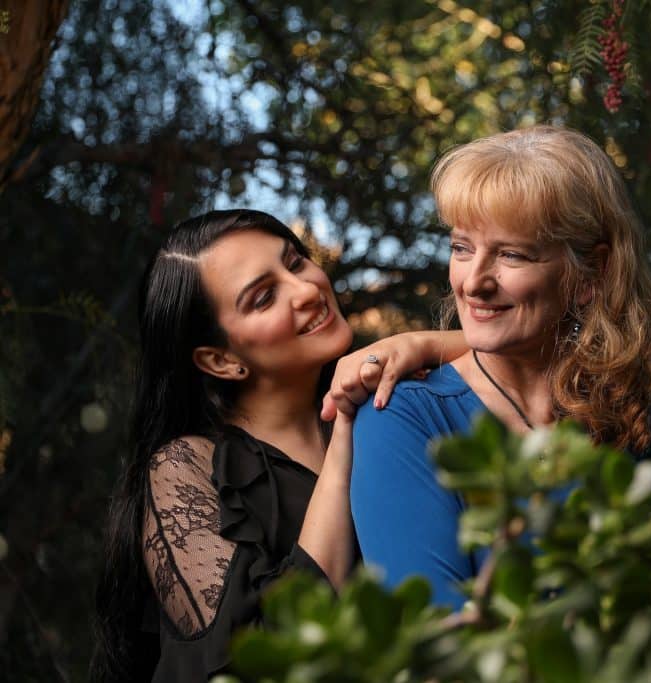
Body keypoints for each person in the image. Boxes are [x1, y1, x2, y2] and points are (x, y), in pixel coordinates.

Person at [91, 209, 465, 682]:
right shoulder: (184, 467)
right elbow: (264, 651)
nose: (308, 290)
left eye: (295, 263)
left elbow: (534, 355)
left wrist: (423, 343)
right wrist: (345, 429)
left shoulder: (392, 405)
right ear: (221, 360)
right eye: (264, 297)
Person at [350, 126, 651, 609]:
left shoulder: (646, 429)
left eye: (511, 254)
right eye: (461, 247)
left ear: (590, 275)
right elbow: (434, 638)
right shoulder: (404, 420)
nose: (473, 282)